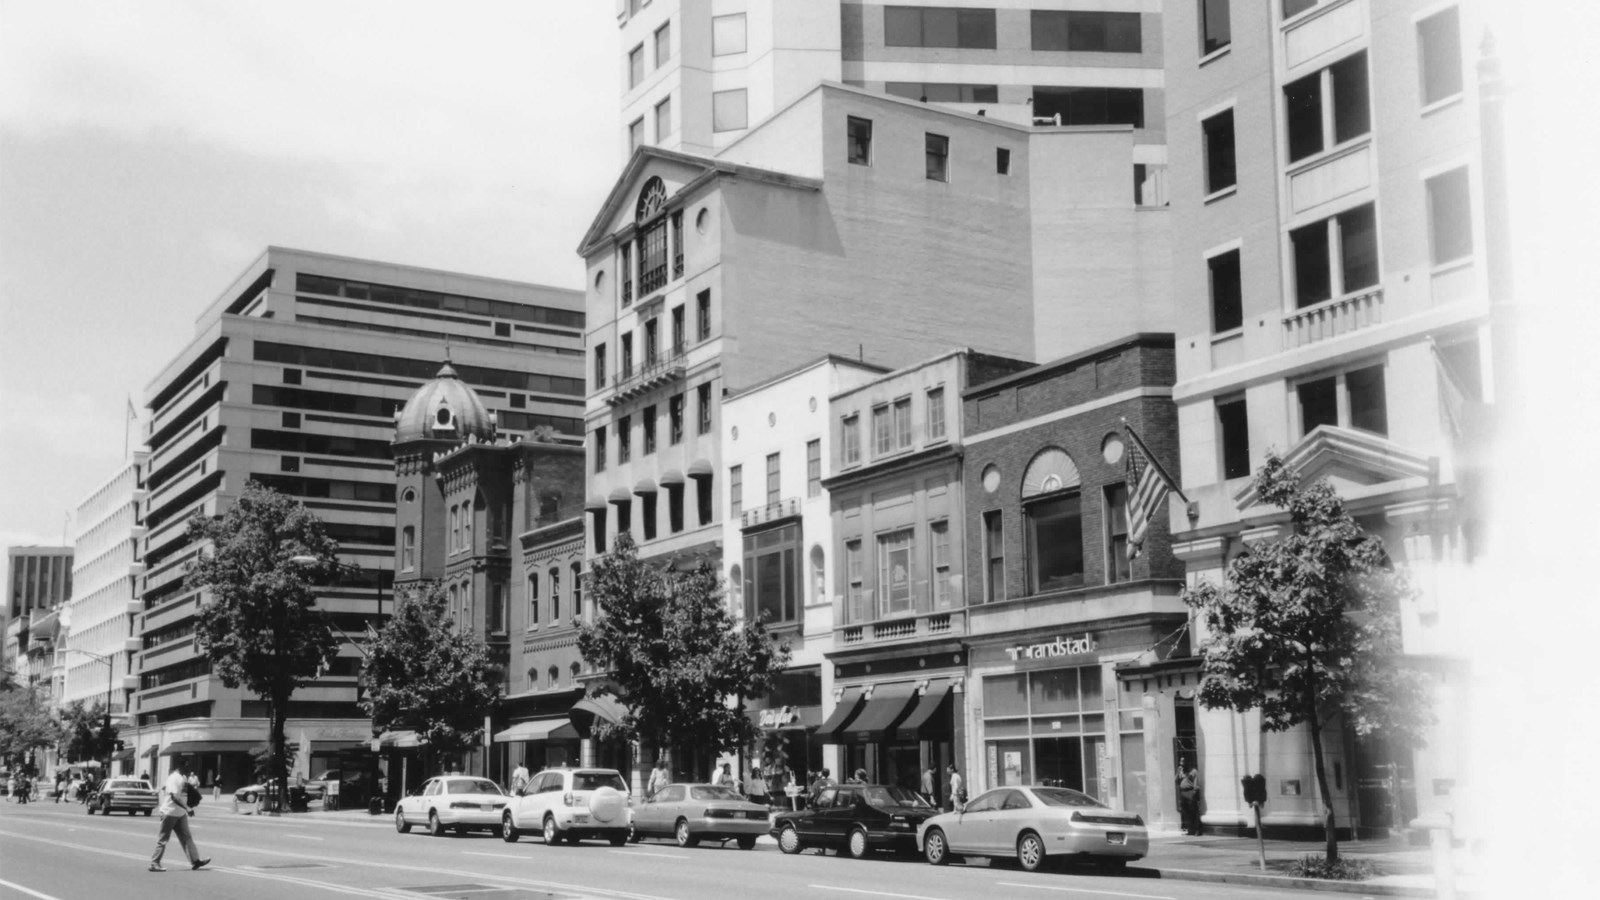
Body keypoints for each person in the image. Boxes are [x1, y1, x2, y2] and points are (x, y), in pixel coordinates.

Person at [150, 763, 209, 873]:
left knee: (187, 837)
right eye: (185, 765)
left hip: (180, 813)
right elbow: (173, 797)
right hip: (169, 812)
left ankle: (195, 861)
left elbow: (167, 789)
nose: (187, 768)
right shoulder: (174, 778)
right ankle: (154, 863)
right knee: (163, 840)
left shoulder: (183, 778)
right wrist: (187, 808)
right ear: (178, 766)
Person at [1177, 759, 1201, 836]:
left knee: (1194, 811)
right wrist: (1178, 772)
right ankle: (1190, 829)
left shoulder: (1193, 771)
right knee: (1186, 812)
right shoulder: (1181, 771)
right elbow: (1177, 780)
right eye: (1180, 762)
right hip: (1183, 792)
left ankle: (1197, 830)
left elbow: (1196, 782)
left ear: (1187, 762)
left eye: (1183, 762)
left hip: (1190, 792)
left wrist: (1194, 793)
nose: (1181, 763)